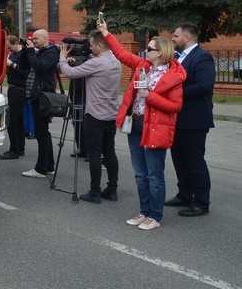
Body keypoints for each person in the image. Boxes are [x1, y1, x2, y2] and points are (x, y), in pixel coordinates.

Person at [99, 20, 185, 231]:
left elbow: (175, 106)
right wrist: (106, 32)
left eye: (149, 49)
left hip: (157, 128)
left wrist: (151, 96)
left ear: (160, 53)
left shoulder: (173, 76)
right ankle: (144, 211)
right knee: (139, 173)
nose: (145, 51)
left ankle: (155, 215)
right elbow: (121, 53)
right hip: (136, 125)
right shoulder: (142, 66)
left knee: (154, 175)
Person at [58, 30, 122, 203]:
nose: (90, 47)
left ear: (100, 45)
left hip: (95, 114)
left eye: (92, 44)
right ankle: (112, 189)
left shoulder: (96, 63)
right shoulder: (116, 61)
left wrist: (63, 57)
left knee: (95, 154)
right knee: (109, 151)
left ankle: (95, 192)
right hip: (110, 113)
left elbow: (70, 74)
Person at [166, 23, 215, 217]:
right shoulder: (177, 58)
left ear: (187, 37)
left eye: (176, 36)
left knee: (194, 162)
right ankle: (184, 194)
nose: (173, 39)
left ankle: (202, 202)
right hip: (177, 118)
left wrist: (176, 93)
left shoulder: (202, 57)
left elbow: (204, 85)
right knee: (179, 159)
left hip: (195, 120)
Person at [21, 29, 59, 178]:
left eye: (36, 38)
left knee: (41, 132)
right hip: (36, 96)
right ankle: (48, 166)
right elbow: (25, 66)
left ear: (45, 38)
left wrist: (31, 51)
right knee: (43, 132)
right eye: (32, 38)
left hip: (43, 96)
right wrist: (26, 51)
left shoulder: (51, 53)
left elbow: (39, 66)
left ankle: (40, 168)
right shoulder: (38, 52)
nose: (34, 40)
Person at [1, 35, 29, 159]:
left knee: (11, 120)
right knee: (18, 120)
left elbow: (24, 72)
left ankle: (14, 149)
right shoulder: (13, 55)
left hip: (19, 89)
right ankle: (20, 148)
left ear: (15, 43)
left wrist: (12, 65)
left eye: (10, 47)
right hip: (13, 88)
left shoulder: (22, 55)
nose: (9, 50)